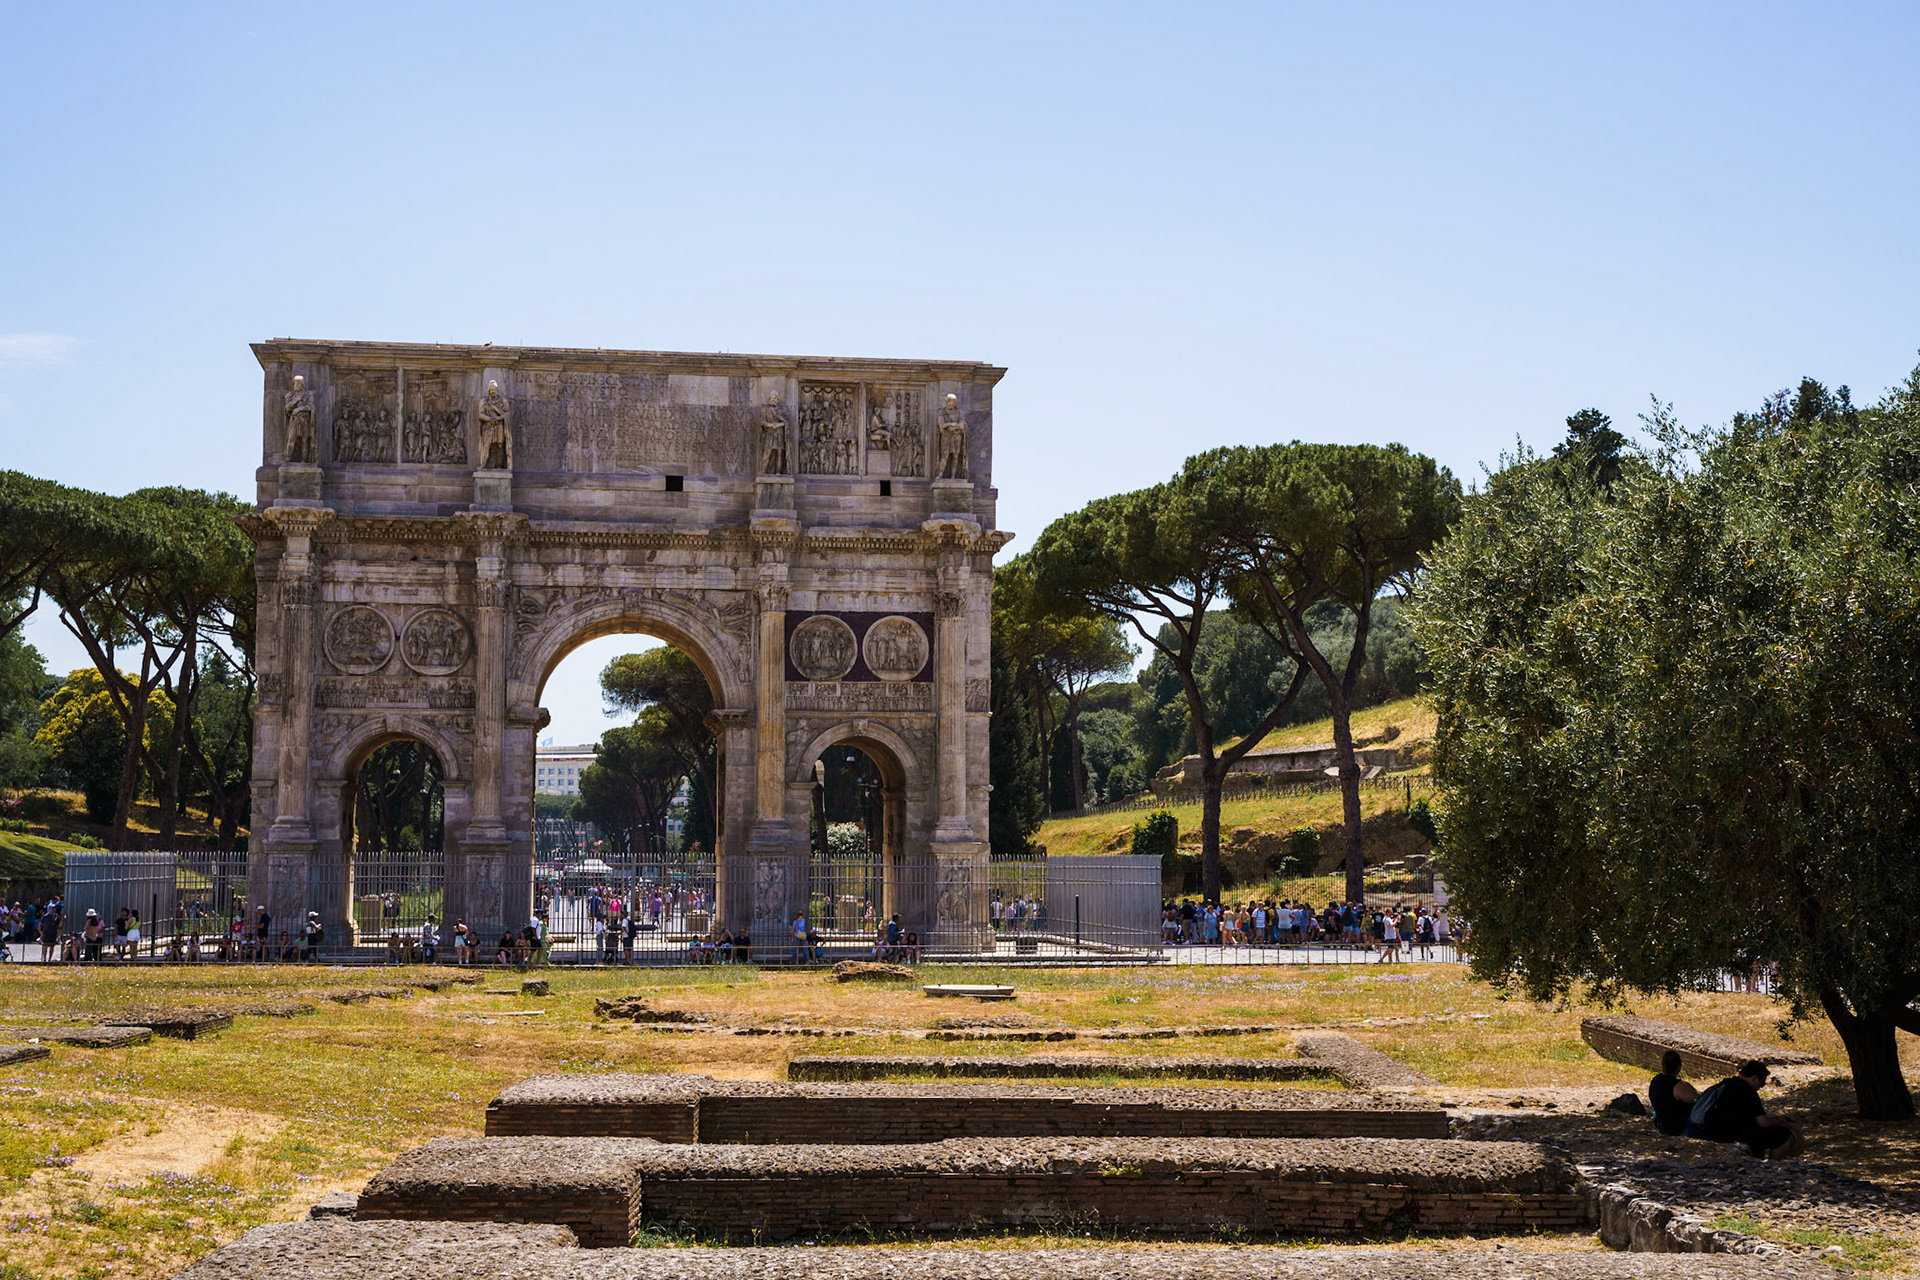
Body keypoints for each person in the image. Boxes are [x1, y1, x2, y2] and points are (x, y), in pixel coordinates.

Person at [1684, 1060, 1804, 1159]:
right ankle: (1773, 1165)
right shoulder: (1747, 1091)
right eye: (1762, 1084)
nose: (1760, 1088)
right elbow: (1764, 1122)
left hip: (1712, 1131)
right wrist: (1780, 1120)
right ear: (1755, 1078)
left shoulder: (1726, 1084)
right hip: (1732, 1135)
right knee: (1783, 1135)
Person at [1648, 1049, 1698, 1136]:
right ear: (1678, 1067)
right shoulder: (1678, 1086)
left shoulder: (1656, 1080)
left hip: (1661, 1122)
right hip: (1679, 1126)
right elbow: (1697, 1099)